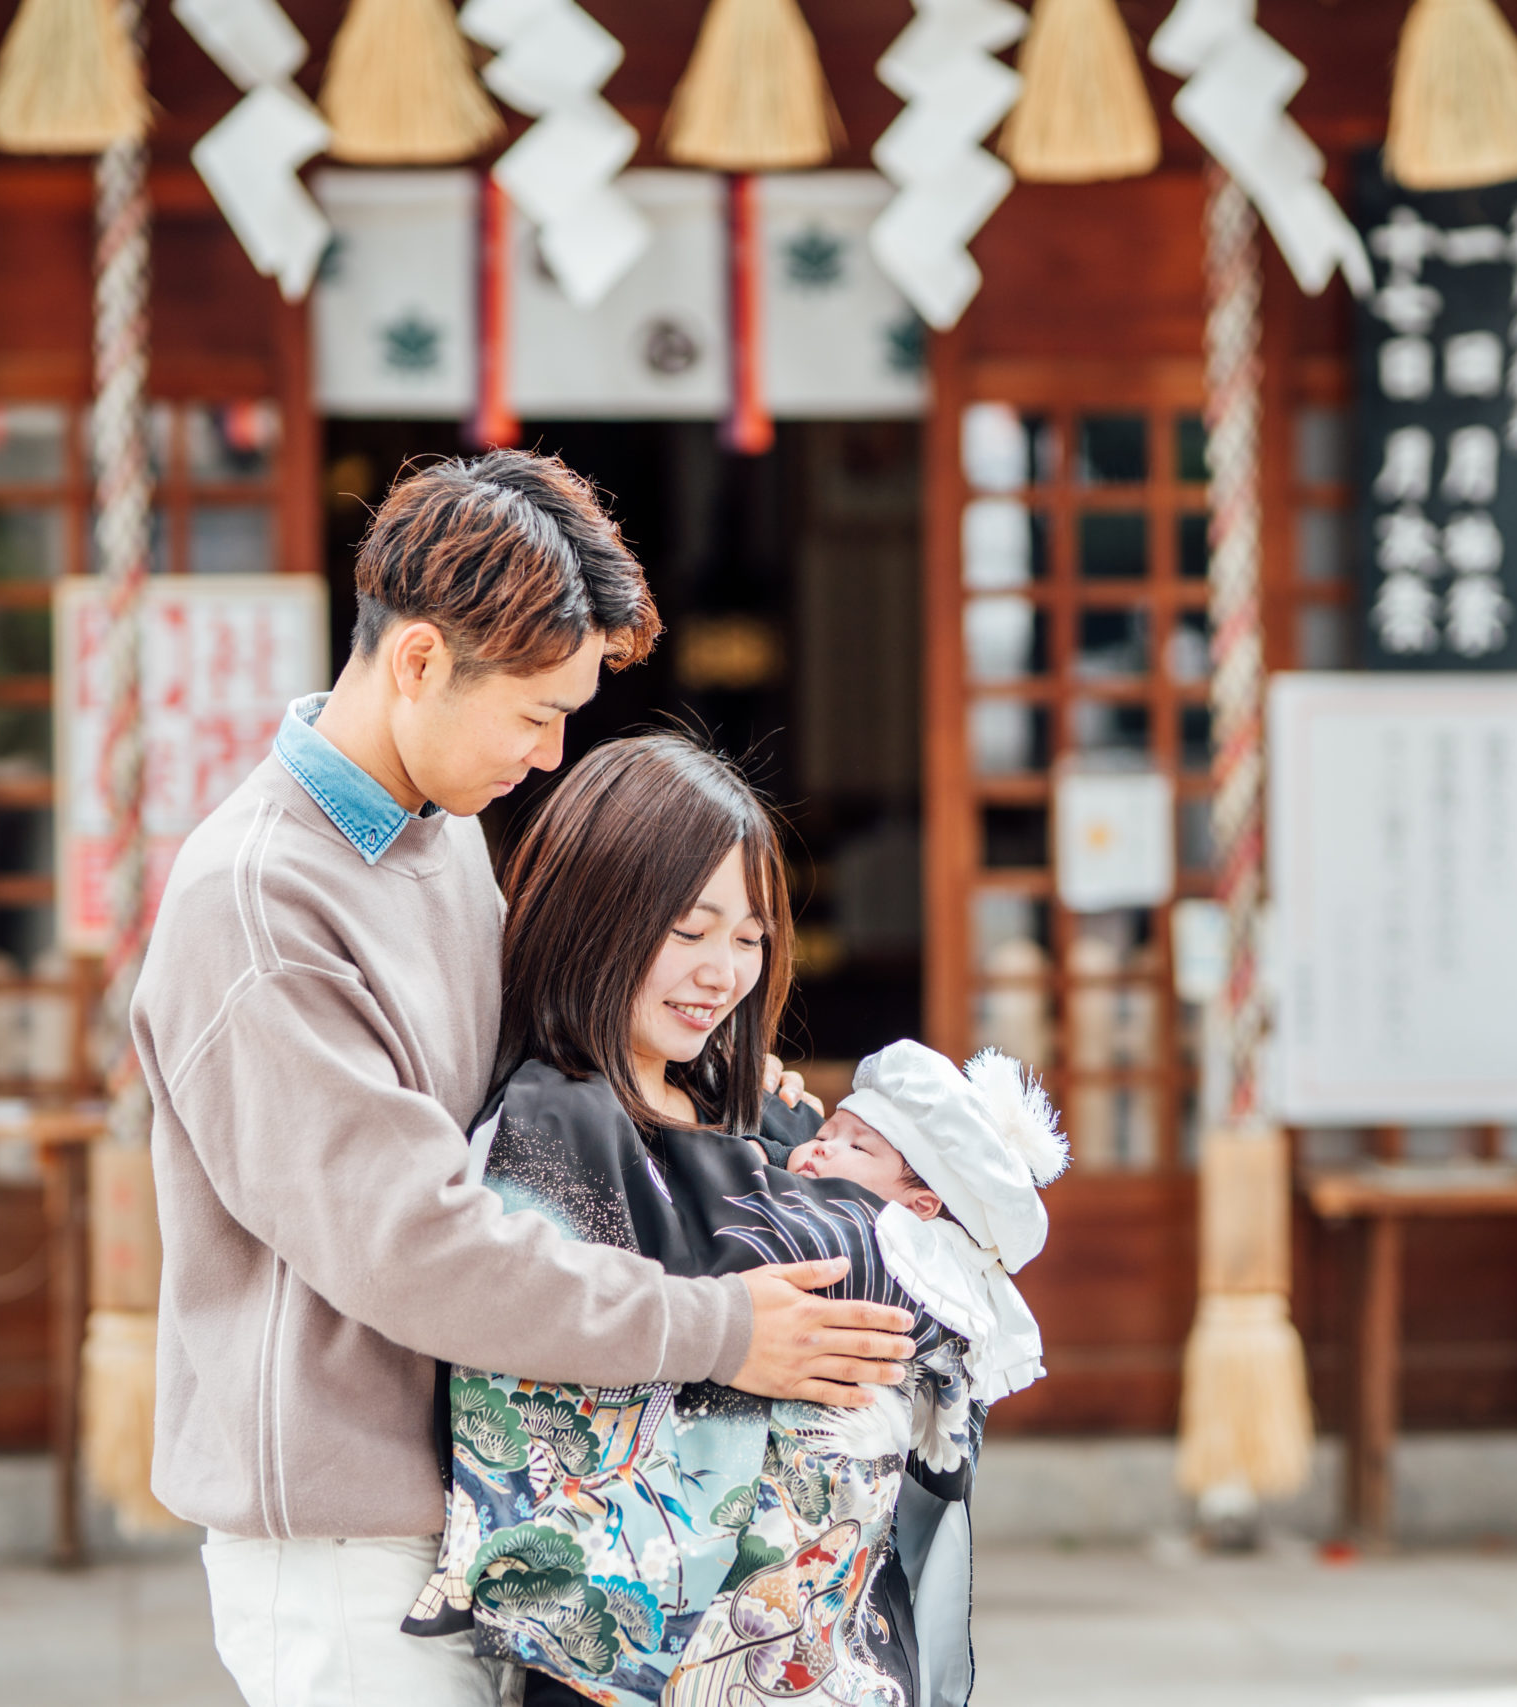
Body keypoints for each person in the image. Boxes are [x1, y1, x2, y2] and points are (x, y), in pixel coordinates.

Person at [129, 452, 916, 1707]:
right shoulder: (262, 901)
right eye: (535, 714)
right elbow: (414, 1245)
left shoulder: (435, 834)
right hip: (349, 1541)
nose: (550, 755)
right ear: (419, 661)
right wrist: (721, 1330)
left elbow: (523, 1078)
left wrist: (697, 1070)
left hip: (489, 1512)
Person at [402, 734, 1064, 1707]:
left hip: (823, 1649)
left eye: (750, 937)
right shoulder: (554, 1123)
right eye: (689, 929)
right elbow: (530, 1363)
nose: (723, 971)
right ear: (595, 913)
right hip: (639, 1667)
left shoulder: (770, 1116)